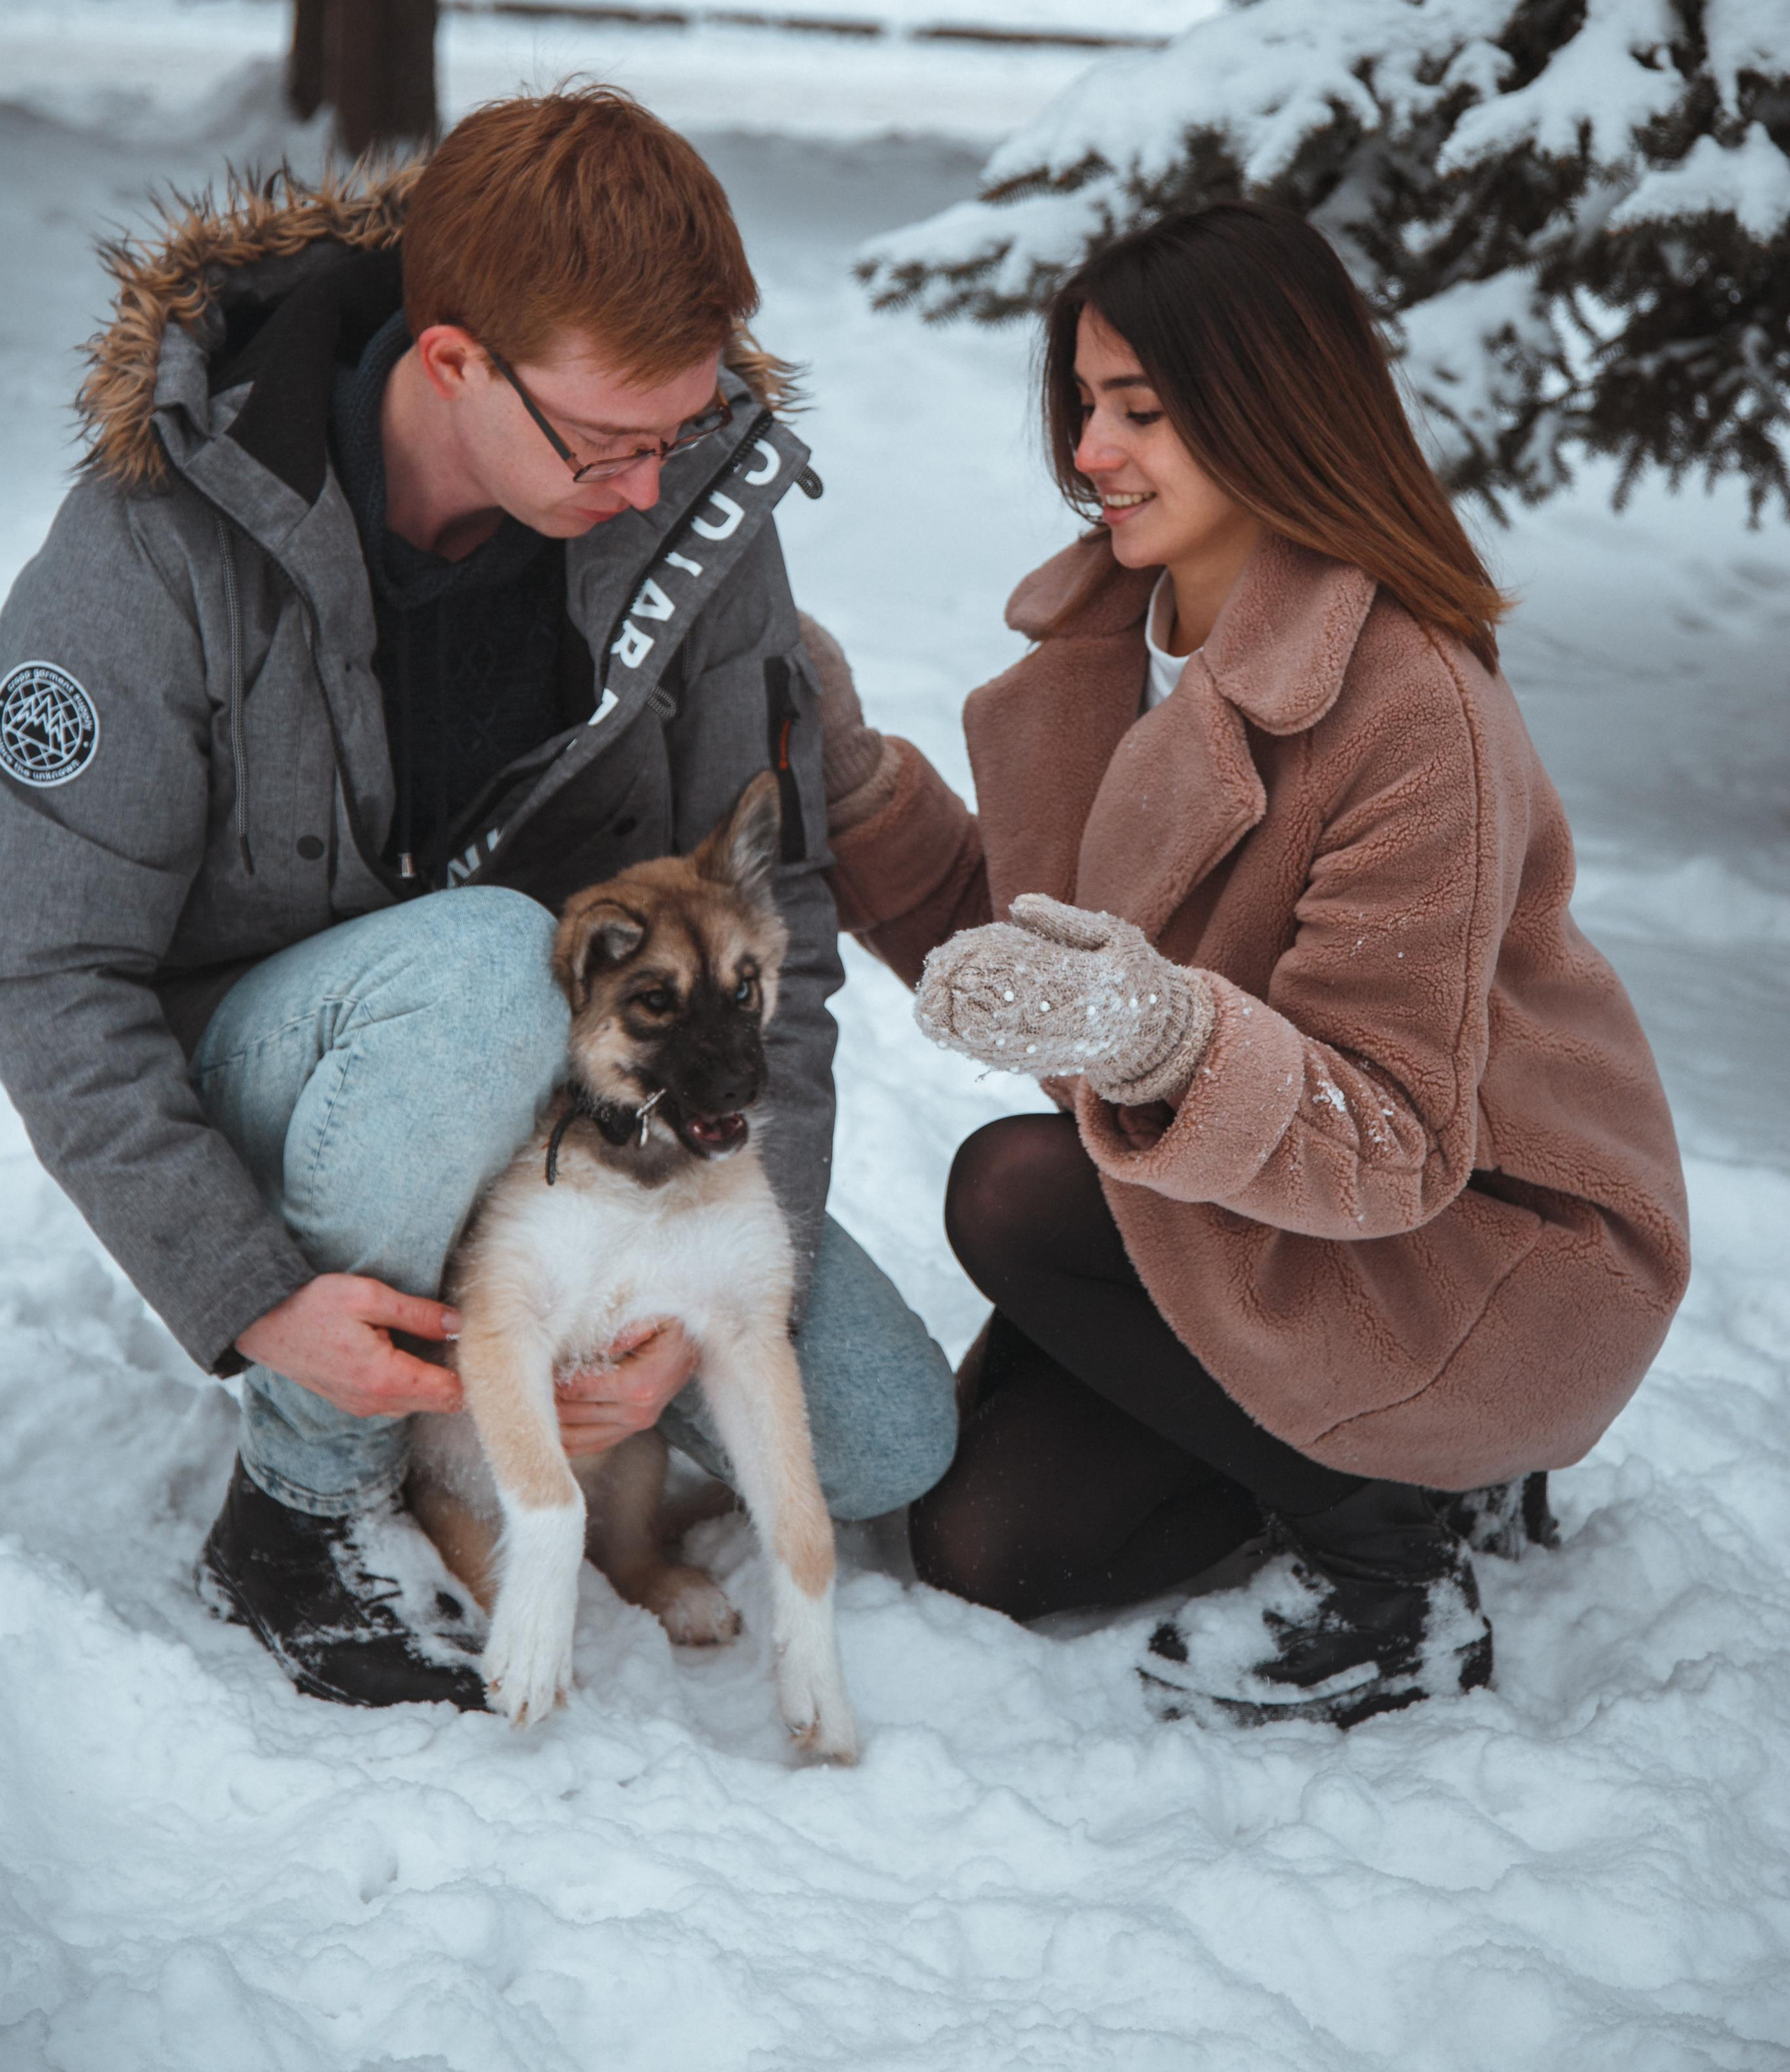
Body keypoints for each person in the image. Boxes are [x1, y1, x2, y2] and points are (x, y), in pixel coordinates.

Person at [0, 87, 956, 1711]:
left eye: (686, 426)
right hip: (294, 1084)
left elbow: (768, 918)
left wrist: (727, 1275)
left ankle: (531, 1355)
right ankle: (302, 1509)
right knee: (480, 967)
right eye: (611, 444)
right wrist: (248, 1295)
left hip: (577, 1103)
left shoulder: (690, 513)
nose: (659, 486)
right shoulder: (154, 538)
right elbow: (43, 970)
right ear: (452, 363)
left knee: (882, 1434)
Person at [804, 202, 1689, 1727]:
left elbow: (1395, 1136)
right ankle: (1391, 1481)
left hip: (1484, 1247)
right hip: (1247, 1211)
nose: (1088, 451)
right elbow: (1033, 954)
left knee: (1010, 1187)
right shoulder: (1109, 648)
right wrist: (848, 782)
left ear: (1268, 407)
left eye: (1139, 411)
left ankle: (1392, 1570)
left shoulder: (1412, 708)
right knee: (981, 1548)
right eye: (1083, 406)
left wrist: (1151, 1038)